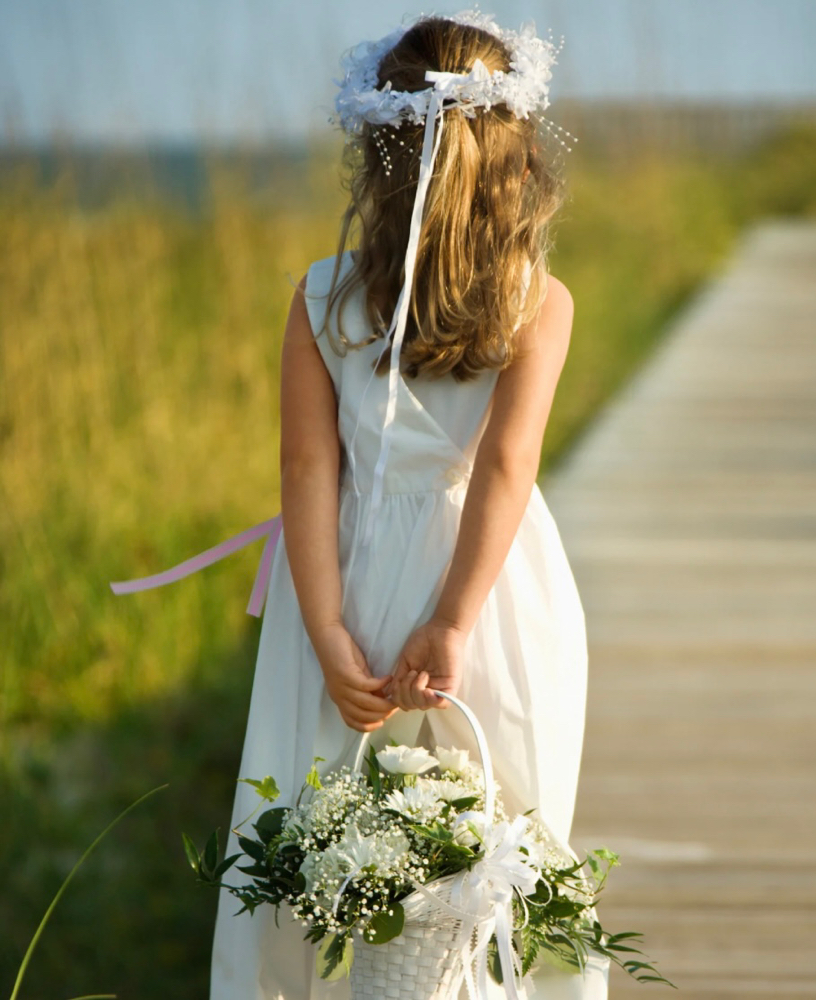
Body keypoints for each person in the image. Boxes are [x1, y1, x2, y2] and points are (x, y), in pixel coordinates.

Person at [113, 9, 609, 999]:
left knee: (312, 811)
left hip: (345, 570)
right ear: (514, 155)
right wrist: (453, 620)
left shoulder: (320, 295)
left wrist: (331, 630)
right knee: (505, 818)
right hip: (490, 585)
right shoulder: (535, 298)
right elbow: (505, 467)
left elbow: (306, 471)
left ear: (378, 156)